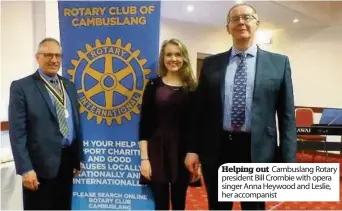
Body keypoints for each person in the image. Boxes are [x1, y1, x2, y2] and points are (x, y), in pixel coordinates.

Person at [185, 3, 297, 210]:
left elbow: (287, 116)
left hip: (257, 151)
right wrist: (193, 149)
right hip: (217, 149)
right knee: (217, 206)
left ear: (257, 24)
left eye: (246, 17)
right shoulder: (211, 64)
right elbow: (199, 112)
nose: (241, 22)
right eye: (234, 19)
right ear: (228, 28)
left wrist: (289, 160)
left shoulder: (279, 63)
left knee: (253, 208)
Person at [8, 37, 84, 210]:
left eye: (58, 55)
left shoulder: (69, 85)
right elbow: (17, 133)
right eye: (48, 55)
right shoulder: (22, 87)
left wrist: (77, 157)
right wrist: (25, 169)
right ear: (38, 57)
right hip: (38, 166)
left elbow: (75, 123)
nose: (54, 60)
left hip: (66, 162)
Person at [138, 38, 198, 210]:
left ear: (184, 58)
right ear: (163, 58)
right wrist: (144, 159)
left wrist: (196, 159)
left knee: (180, 203)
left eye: (178, 54)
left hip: (184, 152)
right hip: (157, 150)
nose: (173, 59)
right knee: (160, 203)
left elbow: (196, 126)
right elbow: (145, 125)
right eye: (169, 54)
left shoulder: (193, 89)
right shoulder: (153, 86)